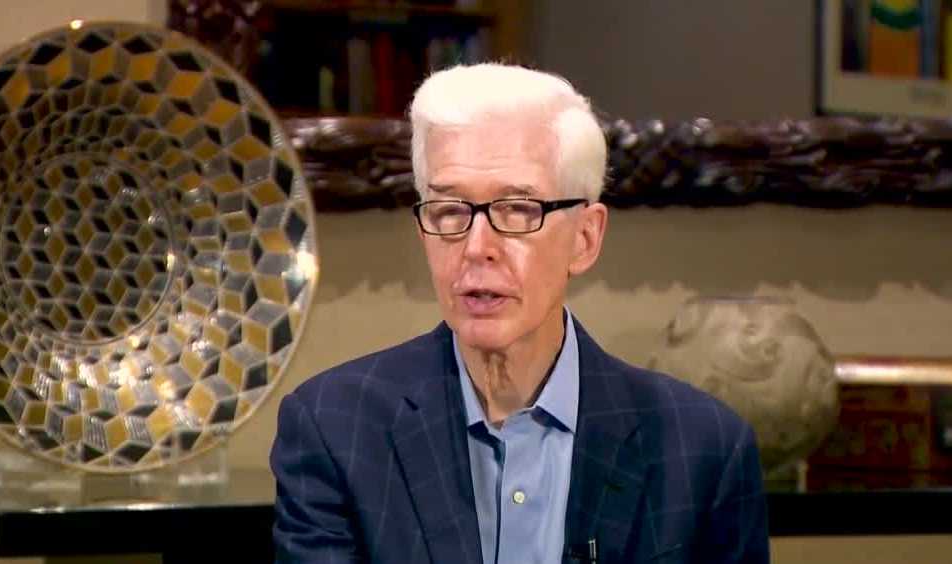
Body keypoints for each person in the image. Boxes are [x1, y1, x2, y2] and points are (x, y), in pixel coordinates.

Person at [270, 63, 769, 564]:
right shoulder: (336, 431)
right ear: (425, 232)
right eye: (449, 211)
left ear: (585, 237)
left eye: (517, 210)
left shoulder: (704, 451)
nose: (476, 247)